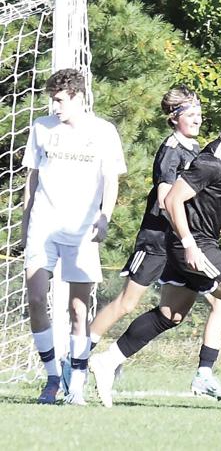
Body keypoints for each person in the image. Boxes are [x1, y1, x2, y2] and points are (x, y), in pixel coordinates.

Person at [90, 95, 221, 408]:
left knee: (170, 314)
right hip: (194, 245)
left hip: (194, 243)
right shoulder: (212, 159)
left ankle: (106, 362)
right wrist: (188, 244)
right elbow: (171, 200)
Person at [87, 86, 221, 401]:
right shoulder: (170, 150)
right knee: (126, 303)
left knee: (181, 313)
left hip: (180, 242)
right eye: (190, 115)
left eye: (199, 114)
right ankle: (77, 360)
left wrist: (212, 219)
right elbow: (168, 201)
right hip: (157, 239)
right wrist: (190, 234)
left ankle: (201, 374)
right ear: (175, 118)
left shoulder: (196, 150)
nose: (197, 119)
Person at [21, 68, 126, 405]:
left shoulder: (103, 132)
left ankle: (76, 383)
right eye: (52, 100)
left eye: (60, 100)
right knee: (36, 298)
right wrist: (25, 224)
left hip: (81, 231)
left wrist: (104, 216)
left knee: (78, 309)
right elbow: (32, 180)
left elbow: (111, 180)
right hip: (43, 225)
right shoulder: (41, 128)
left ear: (79, 97)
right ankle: (52, 378)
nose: (55, 107)